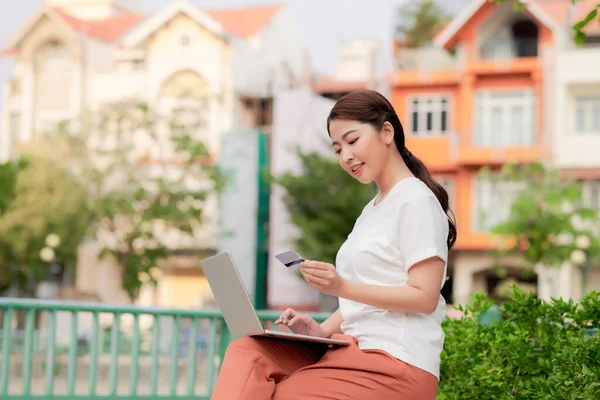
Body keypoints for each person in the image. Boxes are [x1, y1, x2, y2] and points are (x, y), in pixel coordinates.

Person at [210, 90, 457, 400]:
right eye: (338, 149)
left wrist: (340, 286)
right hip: (352, 351)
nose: (346, 157)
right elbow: (371, 293)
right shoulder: (372, 211)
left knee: (285, 394)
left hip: (397, 362)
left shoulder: (416, 200)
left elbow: (424, 297)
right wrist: (321, 331)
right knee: (248, 351)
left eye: (352, 141)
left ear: (386, 132)